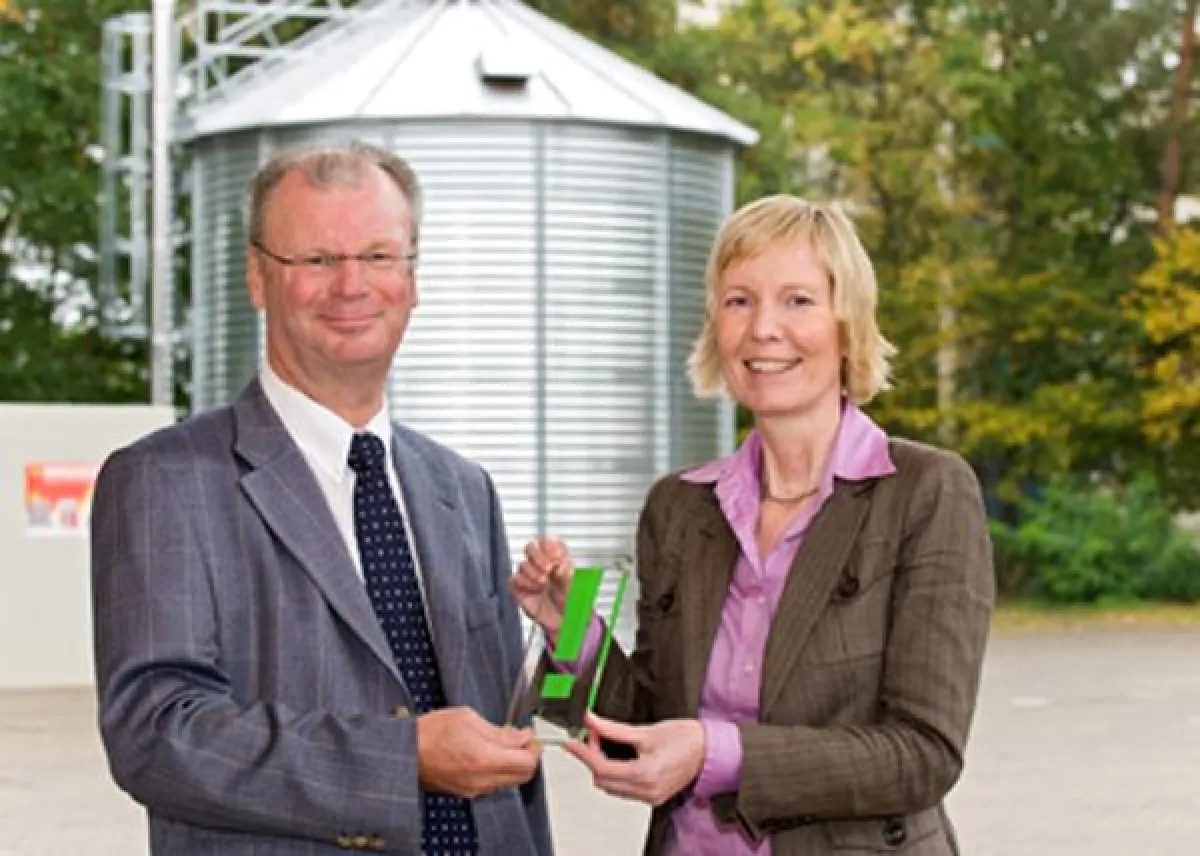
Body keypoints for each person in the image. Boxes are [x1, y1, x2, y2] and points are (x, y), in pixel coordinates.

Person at [91, 141, 553, 856]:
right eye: (316, 259)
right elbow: (157, 732)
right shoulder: (165, 481)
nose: (351, 285)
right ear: (257, 277)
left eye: (377, 255)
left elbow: (497, 727)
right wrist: (402, 759)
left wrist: (561, 645)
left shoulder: (461, 488)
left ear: (412, 276)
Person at [513, 195, 994, 855]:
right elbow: (642, 723)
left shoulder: (926, 492)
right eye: (739, 301)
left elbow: (924, 754)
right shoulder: (678, 507)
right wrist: (568, 629)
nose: (764, 328)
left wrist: (717, 750)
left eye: (797, 300)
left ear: (847, 323)